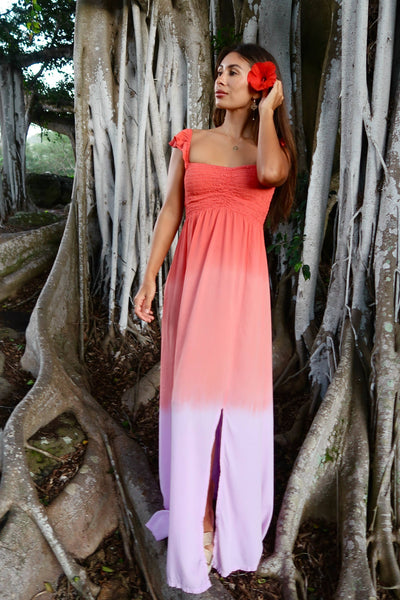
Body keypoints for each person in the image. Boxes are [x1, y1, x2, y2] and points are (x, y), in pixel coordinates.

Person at [134, 43, 297, 594]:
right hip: (192, 287)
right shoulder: (191, 141)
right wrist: (149, 277)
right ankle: (198, 518)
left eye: (233, 71)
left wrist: (269, 113)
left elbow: (270, 173)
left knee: (236, 403)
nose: (220, 79)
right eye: (219, 71)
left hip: (244, 294)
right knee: (194, 400)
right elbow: (171, 211)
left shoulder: (269, 149)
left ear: (259, 82)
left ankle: (231, 521)